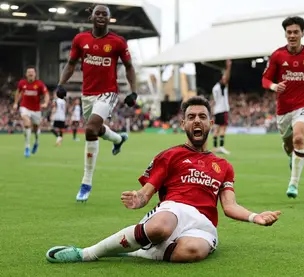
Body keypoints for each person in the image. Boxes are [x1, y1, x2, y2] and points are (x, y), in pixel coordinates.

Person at [46, 96, 281, 264]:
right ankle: (87, 253)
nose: (197, 121)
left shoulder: (224, 166)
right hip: (174, 209)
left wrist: (254, 217)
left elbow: (229, 206)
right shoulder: (170, 155)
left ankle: (136, 252)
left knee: (191, 252)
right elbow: (146, 193)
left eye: (202, 116)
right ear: (183, 124)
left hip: (204, 223)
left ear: (211, 123)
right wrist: (139, 199)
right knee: (160, 227)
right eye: (191, 117)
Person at [55, 4, 138, 202]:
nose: (101, 16)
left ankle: (86, 182)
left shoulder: (117, 42)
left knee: (90, 128)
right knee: (96, 129)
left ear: (110, 19)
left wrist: (134, 91)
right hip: (87, 95)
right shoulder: (80, 39)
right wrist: (60, 84)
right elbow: (71, 64)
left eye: (105, 14)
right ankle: (118, 139)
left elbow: (129, 67)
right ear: (91, 17)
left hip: (108, 93)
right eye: (97, 13)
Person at [262, 16, 304, 198]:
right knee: (288, 146)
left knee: (299, 138)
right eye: (289, 32)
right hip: (283, 109)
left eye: (296, 32)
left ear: (302, 33)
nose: (292, 35)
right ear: (285, 34)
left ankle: (293, 184)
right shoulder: (277, 55)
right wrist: (274, 86)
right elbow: (265, 79)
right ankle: (292, 158)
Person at [13, 66, 50, 157]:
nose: (30, 74)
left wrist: (46, 103)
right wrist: (15, 103)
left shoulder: (39, 84)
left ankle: (37, 142)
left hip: (36, 110)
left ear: (35, 74)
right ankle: (27, 147)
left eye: (32, 72)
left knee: (36, 128)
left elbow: (46, 94)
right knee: (26, 123)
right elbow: (18, 93)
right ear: (26, 74)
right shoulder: (22, 83)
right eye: (29, 72)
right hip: (24, 107)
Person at [212, 60, 231, 155]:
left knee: (216, 129)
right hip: (223, 109)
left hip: (217, 110)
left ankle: (215, 148)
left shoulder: (214, 87)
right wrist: (228, 67)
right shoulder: (221, 86)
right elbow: (227, 78)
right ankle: (221, 147)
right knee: (223, 128)